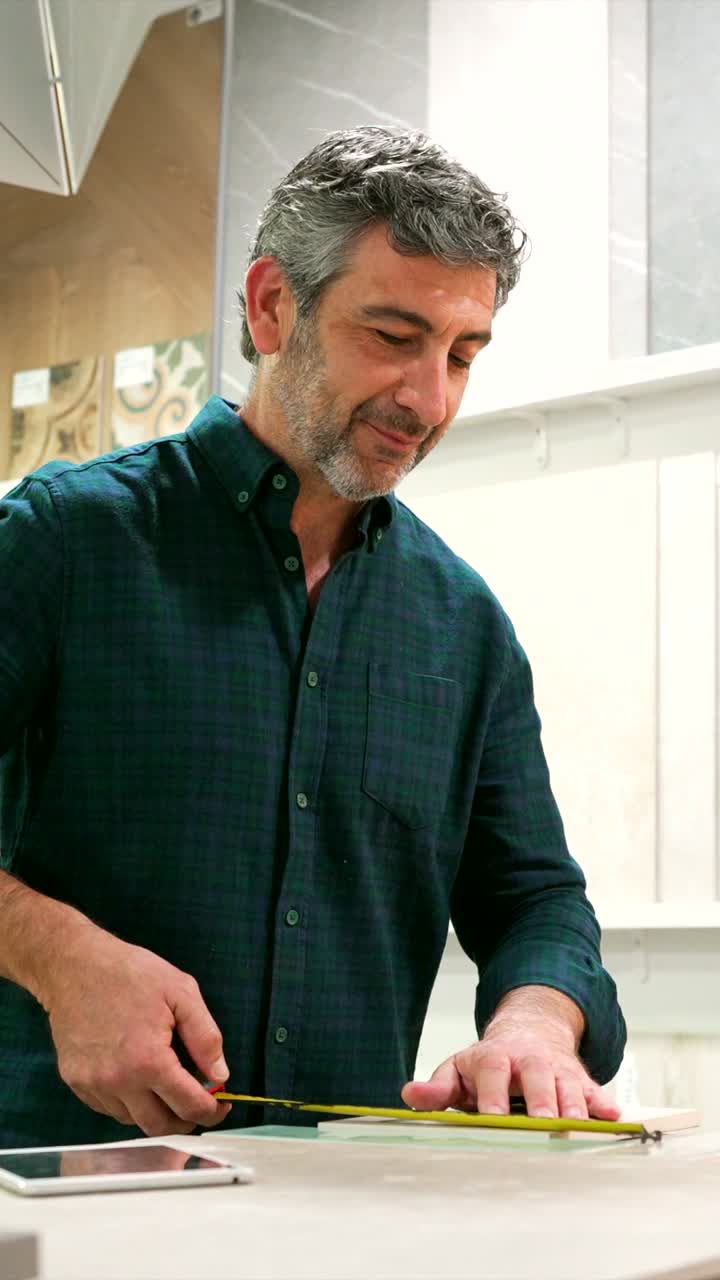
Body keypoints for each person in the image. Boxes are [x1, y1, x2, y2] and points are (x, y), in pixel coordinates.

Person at [0, 127, 626, 1148]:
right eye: (393, 335)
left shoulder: (464, 626)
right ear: (271, 305)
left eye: (463, 354)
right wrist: (57, 952)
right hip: (55, 1204)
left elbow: (537, 899)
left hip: (338, 1223)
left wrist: (535, 1021)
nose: (429, 400)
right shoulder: (67, 539)